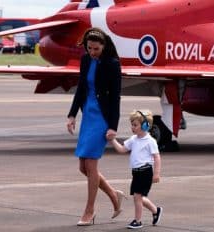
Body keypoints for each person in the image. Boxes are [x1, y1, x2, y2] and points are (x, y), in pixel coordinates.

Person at [67, 27, 125, 226]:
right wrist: (72, 114)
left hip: (102, 117)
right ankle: (113, 195)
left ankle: (90, 211)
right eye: (89, 48)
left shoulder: (112, 64)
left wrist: (113, 126)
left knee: (91, 165)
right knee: (83, 167)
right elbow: (81, 88)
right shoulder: (85, 60)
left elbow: (116, 97)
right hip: (88, 114)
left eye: (96, 49)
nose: (92, 52)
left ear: (104, 46)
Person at [108, 110, 163, 229]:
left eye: (135, 125)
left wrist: (156, 174)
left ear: (145, 125)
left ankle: (137, 221)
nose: (132, 127)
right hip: (136, 173)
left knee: (137, 197)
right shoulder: (133, 139)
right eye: (132, 125)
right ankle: (155, 210)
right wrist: (112, 140)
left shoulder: (150, 141)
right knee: (140, 197)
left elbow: (157, 157)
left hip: (146, 172)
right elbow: (122, 149)